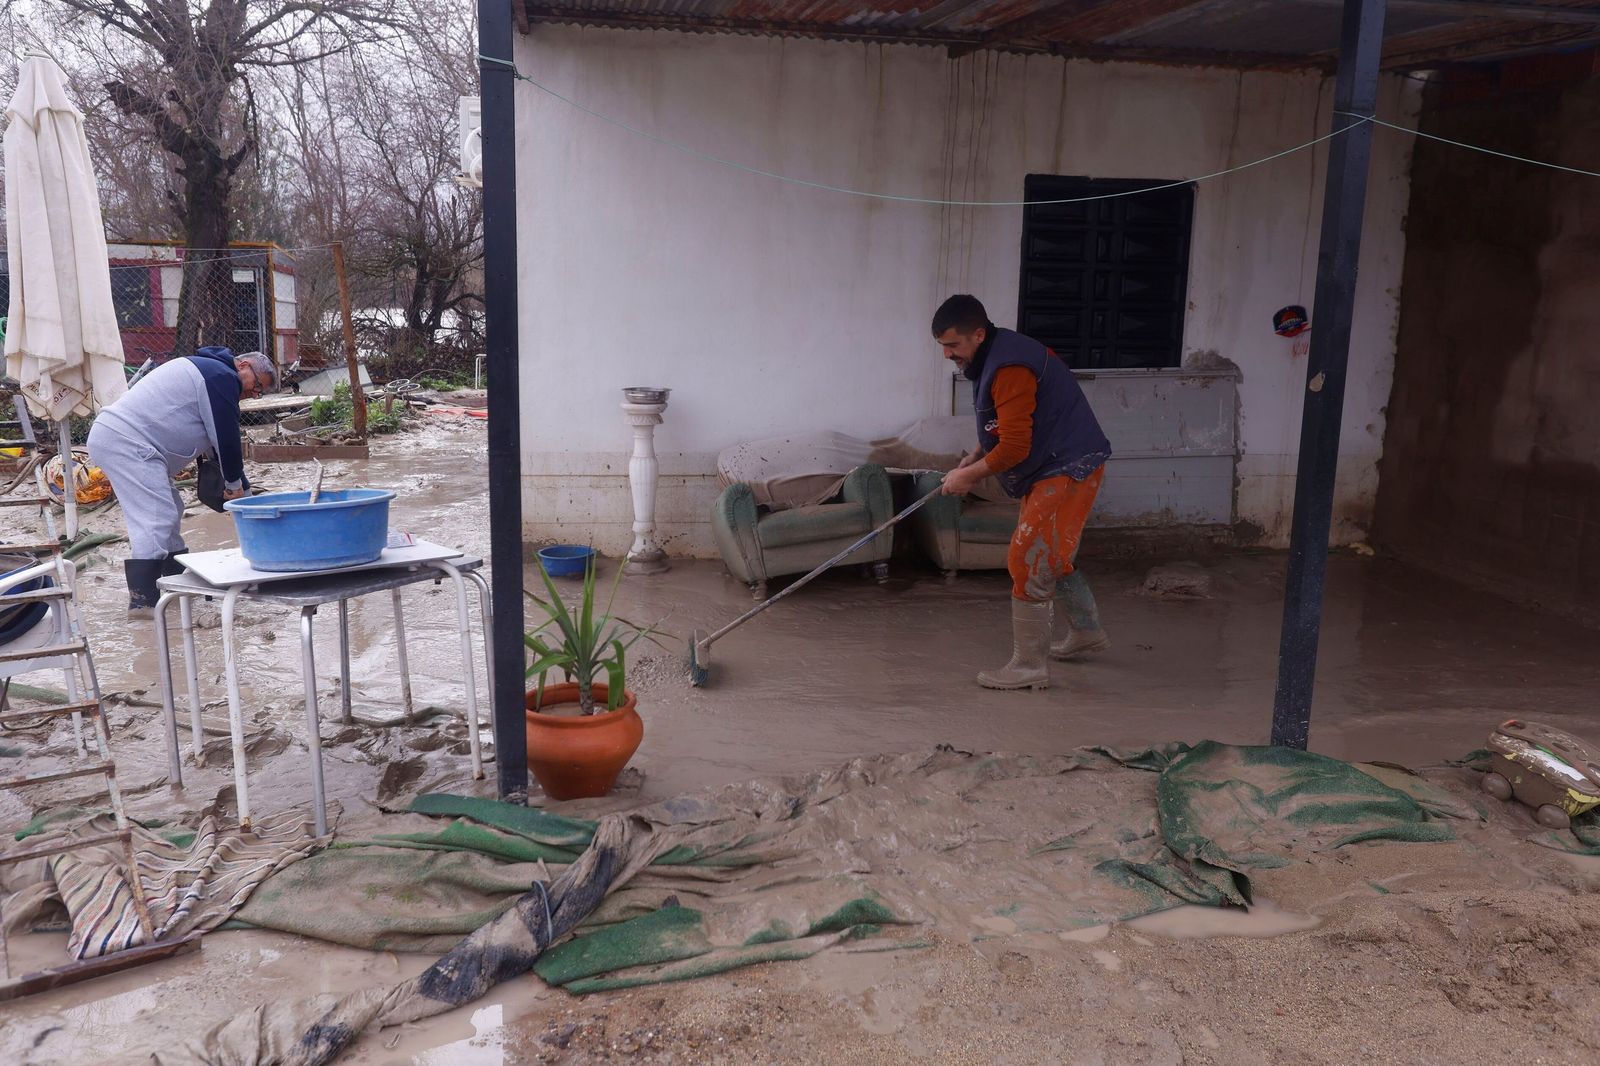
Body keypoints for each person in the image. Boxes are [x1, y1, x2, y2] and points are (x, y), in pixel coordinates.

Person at [933, 295, 1112, 690]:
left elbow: (1015, 447)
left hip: (1068, 465)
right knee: (1053, 555)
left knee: (1028, 558)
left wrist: (970, 477)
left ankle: (1029, 666)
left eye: (953, 345)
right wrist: (976, 455)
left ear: (978, 334)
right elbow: (1003, 421)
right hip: (1055, 462)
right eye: (942, 346)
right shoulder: (990, 354)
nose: (947, 354)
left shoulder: (1010, 365)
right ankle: (1087, 631)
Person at [88, 346, 276, 614]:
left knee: (171, 508)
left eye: (260, 392)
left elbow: (218, 448)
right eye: (257, 386)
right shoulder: (221, 377)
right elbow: (227, 440)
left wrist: (243, 491)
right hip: (128, 442)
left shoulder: (211, 373)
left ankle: (176, 584)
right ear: (244, 366)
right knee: (155, 516)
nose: (254, 394)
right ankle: (143, 605)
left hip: (126, 441)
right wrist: (235, 486)